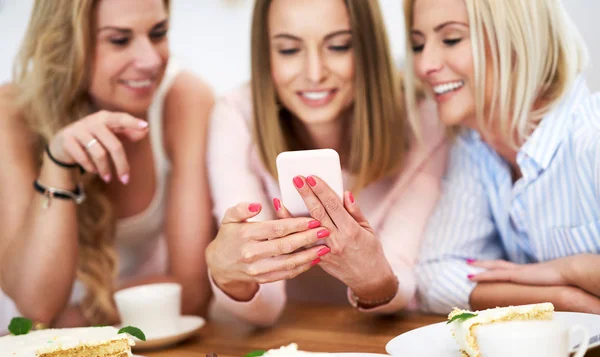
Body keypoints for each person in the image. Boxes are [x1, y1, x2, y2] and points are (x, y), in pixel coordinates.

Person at [205, 0, 449, 326]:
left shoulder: (423, 120)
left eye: (338, 46)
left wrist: (373, 278)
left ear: (368, 48)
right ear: (265, 54)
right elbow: (264, 306)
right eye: (289, 50)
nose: (315, 73)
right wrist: (227, 272)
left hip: (382, 341)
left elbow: (402, 281)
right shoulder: (237, 115)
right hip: (284, 342)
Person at [0, 0, 215, 331]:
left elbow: (192, 294)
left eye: (158, 33)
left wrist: (74, 318)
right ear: (64, 44)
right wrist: (57, 163)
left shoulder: (185, 99)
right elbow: (35, 305)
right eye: (119, 40)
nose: (151, 60)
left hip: (138, 341)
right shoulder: (12, 113)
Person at [404, 0, 600, 314]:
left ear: (518, 40)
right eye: (418, 44)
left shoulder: (592, 139)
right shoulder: (475, 148)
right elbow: (434, 275)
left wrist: (573, 269)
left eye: (451, 39)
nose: (424, 65)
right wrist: (561, 299)